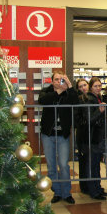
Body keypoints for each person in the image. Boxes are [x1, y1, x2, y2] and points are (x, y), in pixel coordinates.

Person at [38, 72, 78, 204]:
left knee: (63, 164)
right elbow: (43, 100)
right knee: (51, 165)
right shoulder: (46, 91)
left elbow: (76, 101)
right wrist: (59, 92)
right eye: (57, 79)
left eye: (62, 80)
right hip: (48, 134)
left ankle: (67, 193)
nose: (59, 82)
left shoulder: (69, 92)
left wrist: (70, 85)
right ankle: (57, 192)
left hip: (63, 134)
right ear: (52, 81)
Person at [76, 77, 107, 200]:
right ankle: (93, 190)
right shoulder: (89, 99)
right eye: (95, 86)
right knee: (92, 164)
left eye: (100, 86)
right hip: (92, 137)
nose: (98, 88)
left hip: (97, 136)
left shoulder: (98, 98)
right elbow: (89, 119)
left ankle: (98, 187)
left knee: (96, 164)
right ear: (91, 87)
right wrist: (99, 111)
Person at [75, 78, 90, 194]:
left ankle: (91, 184)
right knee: (83, 160)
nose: (83, 88)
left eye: (84, 85)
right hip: (82, 133)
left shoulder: (92, 97)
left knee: (92, 160)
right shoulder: (78, 100)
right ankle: (84, 186)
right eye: (80, 86)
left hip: (92, 134)